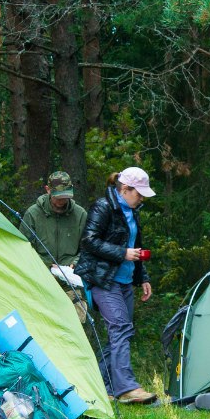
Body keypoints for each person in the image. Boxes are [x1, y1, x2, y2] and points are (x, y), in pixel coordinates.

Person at [75, 167, 157, 405]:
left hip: (124, 280)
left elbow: (136, 246)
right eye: (138, 193)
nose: (141, 198)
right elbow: (88, 241)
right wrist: (122, 253)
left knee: (122, 333)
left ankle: (103, 386)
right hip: (102, 279)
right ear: (125, 189)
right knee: (120, 328)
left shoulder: (133, 211)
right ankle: (127, 388)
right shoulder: (103, 207)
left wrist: (143, 277)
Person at [21, 170, 87, 268]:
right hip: (41, 272)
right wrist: (47, 265)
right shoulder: (33, 214)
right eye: (58, 197)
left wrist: (75, 263)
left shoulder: (80, 215)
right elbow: (24, 248)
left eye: (65, 197)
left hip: (71, 275)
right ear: (48, 190)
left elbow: (87, 247)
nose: (62, 201)